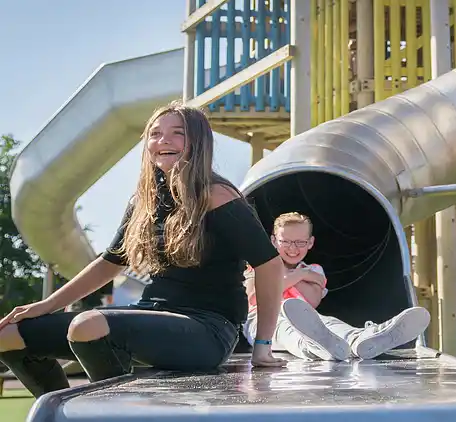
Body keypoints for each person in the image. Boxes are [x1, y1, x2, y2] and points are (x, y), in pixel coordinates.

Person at [0, 101, 286, 398]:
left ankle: (111, 417)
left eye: (177, 133)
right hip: (152, 313)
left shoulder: (217, 196)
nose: (164, 140)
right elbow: (110, 262)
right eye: (155, 133)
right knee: (9, 335)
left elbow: (269, 264)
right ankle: (61, 417)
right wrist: (46, 306)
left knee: (89, 325)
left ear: (198, 142)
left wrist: (262, 345)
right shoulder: (143, 201)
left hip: (208, 328)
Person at [243, 212, 431, 361]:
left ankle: (362, 339)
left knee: (330, 323)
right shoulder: (258, 267)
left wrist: (282, 280)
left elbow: (311, 300)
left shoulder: (315, 270)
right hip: (262, 320)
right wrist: (301, 275)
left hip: (307, 317)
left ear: (310, 243)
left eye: (300, 242)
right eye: (286, 242)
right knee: (286, 330)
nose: (293, 248)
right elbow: (255, 297)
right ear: (274, 241)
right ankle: (312, 347)